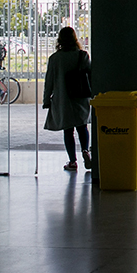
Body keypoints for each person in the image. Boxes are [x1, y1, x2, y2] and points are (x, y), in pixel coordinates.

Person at [42, 26, 93, 171]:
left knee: (68, 130)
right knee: (82, 127)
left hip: (63, 99)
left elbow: (49, 82)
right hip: (81, 97)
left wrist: (46, 100)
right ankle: (85, 151)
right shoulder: (82, 55)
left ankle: (72, 162)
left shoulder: (55, 59)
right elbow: (90, 76)